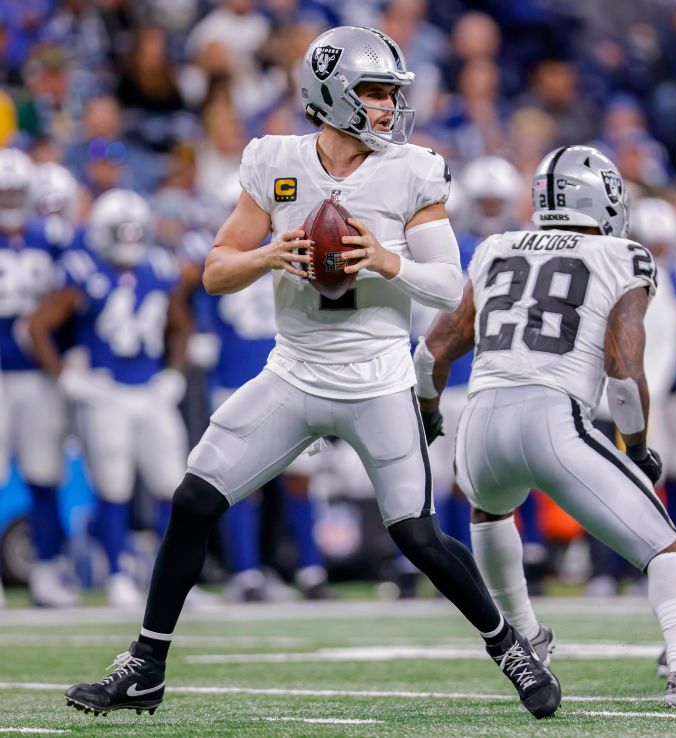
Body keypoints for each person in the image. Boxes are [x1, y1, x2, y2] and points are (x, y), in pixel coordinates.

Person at [63, 26, 559, 720]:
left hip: (378, 376)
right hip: (294, 372)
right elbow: (213, 270)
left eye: (392, 93)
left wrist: (388, 262)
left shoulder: (413, 169)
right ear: (330, 95)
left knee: (415, 533)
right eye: (375, 92)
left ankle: (510, 646)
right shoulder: (275, 162)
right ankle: (146, 665)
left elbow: (457, 287)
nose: (388, 107)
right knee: (194, 500)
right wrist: (270, 254)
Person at [415, 144, 676, 709]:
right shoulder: (623, 254)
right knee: (667, 548)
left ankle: (526, 637)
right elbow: (622, 373)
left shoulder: (496, 247)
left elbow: (431, 357)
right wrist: (639, 447)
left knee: (490, 509)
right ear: (601, 198)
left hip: (478, 419)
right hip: (552, 416)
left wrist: (428, 414)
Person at [28, 188, 192, 607]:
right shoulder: (84, 269)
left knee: (172, 485)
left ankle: (171, 579)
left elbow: (180, 322)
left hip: (150, 389)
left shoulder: (159, 266)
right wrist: (66, 375)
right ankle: (118, 573)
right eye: (121, 232)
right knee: (113, 484)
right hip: (106, 391)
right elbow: (39, 325)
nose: (129, 241)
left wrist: (173, 371)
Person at [0, 148, 79, 608]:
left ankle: (48, 568)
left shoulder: (53, 238)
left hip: (35, 375)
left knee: (43, 472)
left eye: (16, 192)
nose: (10, 200)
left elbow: (75, 298)